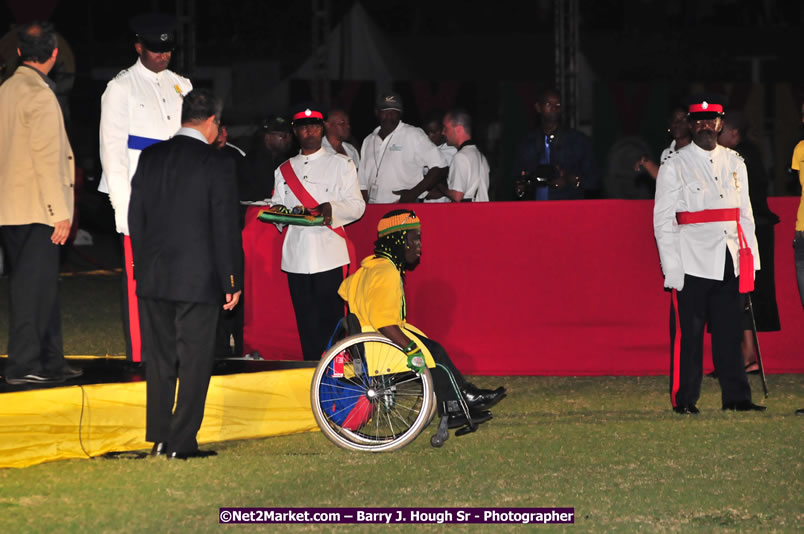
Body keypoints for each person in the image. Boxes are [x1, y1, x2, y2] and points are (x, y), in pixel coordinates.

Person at [128, 89, 242, 459]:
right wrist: (231, 281)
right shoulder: (217, 163)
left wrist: (142, 265)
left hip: (155, 276)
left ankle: (161, 437)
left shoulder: (150, 157)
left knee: (160, 359)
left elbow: (136, 217)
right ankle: (182, 442)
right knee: (194, 361)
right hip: (198, 279)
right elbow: (225, 227)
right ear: (212, 122)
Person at [338, 209, 505, 426]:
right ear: (398, 240)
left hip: (368, 343)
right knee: (433, 354)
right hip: (379, 346)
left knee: (435, 349)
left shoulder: (369, 269)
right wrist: (410, 349)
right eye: (414, 239)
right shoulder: (386, 272)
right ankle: (461, 401)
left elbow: (347, 293)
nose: (419, 246)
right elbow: (384, 321)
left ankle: (460, 403)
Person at [653, 95, 765, 414]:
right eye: (698, 121)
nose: (705, 126)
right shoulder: (675, 165)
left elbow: (745, 214)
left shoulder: (735, 161)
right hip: (691, 260)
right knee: (689, 337)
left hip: (729, 258)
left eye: (711, 120)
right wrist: (671, 266)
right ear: (690, 125)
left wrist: (751, 261)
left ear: (720, 124)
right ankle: (685, 399)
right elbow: (662, 219)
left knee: (729, 333)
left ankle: (737, 397)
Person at [98, 12, 192, 364]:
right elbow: (112, 151)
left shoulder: (182, 85)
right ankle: (143, 356)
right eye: (154, 50)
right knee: (142, 283)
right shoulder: (120, 88)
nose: (162, 56)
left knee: (181, 277)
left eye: (167, 51)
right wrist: (123, 211)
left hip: (179, 200)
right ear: (139, 46)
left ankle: (178, 351)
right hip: (142, 199)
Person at [0, 22, 82, 385]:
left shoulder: (5, 90)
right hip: (38, 208)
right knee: (31, 289)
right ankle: (22, 365)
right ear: (53, 55)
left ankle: (51, 359)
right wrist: (59, 213)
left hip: (11, 208)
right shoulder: (40, 94)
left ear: (18, 52)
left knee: (42, 285)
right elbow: (48, 158)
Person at [266, 105, 365, 361]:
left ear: (322, 130)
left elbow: (357, 206)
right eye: (302, 127)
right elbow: (280, 207)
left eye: (314, 126)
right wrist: (277, 213)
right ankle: (311, 372)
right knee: (306, 323)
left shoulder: (341, 165)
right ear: (295, 133)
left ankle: (339, 375)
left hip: (329, 253)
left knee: (334, 322)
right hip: (296, 256)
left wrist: (329, 209)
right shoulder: (284, 169)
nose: (308, 131)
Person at [718, 111, 780, 373]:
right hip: (749, 229)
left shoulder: (738, 157)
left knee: (744, 292)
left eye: (720, 133)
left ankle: (747, 357)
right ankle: (743, 356)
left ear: (733, 134)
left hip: (749, 231)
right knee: (739, 293)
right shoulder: (746, 153)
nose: (716, 138)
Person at [358, 92, 447, 203]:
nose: (389, 116)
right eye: (385, 111)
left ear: (400, 114)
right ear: (377, 112)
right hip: (374, 209)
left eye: (394, 112)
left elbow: (440, 165)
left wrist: (413, 193)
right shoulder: (368, 141)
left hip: (404, 207)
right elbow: (362, 183)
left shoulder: (413, 134)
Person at [513, 88, 598, 200]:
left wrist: (570, 179)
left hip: (569, 208)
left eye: (558, 104)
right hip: (536, 210)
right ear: (538, 107)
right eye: (549, 104)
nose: (554, 108)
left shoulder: (578, 141)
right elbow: (516, 180)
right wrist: (524, 185)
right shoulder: (527, 143)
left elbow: (594, 181)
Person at [441, 109, 490, 202]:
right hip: (481, 213)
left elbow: (457, 196)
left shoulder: (461, 157)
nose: (443, 132)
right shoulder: (481, 156)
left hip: (467, 215)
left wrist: (440, 187)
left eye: (446, 128)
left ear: (459, 129)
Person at [421, 110, 457, 202]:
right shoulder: (421, 149)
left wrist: (442, 191)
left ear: (443, 130)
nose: (429, 136)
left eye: (433, 132)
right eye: (426, 132)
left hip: (444, 205)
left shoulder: (452, 151)